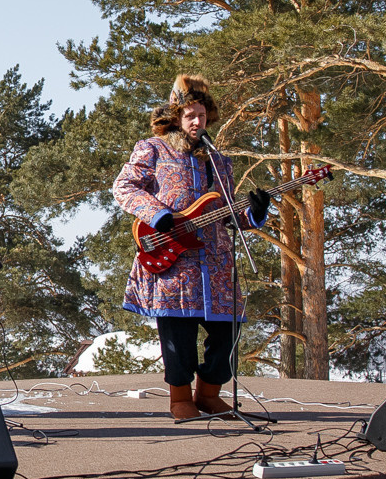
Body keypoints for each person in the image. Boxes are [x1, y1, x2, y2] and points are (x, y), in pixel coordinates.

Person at [111, 73, 272, 421]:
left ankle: (209, 392)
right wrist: (158, 215)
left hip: (215, 260)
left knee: (228, 331)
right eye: (189, 115)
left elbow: (229, 216)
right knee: (178, 332)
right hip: (173, 256)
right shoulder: (152, 149)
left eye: (201, 114)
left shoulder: (219, 161)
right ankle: (180, 397)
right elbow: (124, 188)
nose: (197, 121)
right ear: (176, 117)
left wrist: (254, 214)